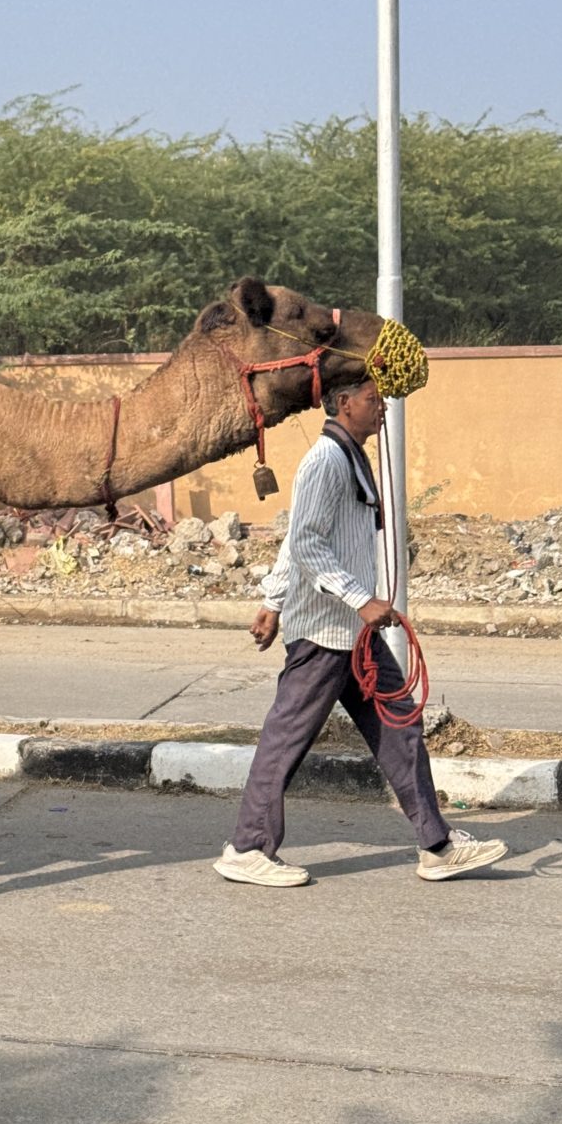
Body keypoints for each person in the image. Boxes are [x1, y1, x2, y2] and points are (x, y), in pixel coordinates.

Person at [213, 375, 508, 888]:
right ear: (344, 403)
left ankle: (436, 846)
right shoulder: (325, 461)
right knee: (286, 741)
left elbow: (298, 539)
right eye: (374, 401)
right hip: (325, 632)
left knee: (400, 728)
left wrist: (272, 600)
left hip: (353, 634)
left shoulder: (350, 457)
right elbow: (305, 543)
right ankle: (247, 847)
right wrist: (357, 599)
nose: (382, 411)